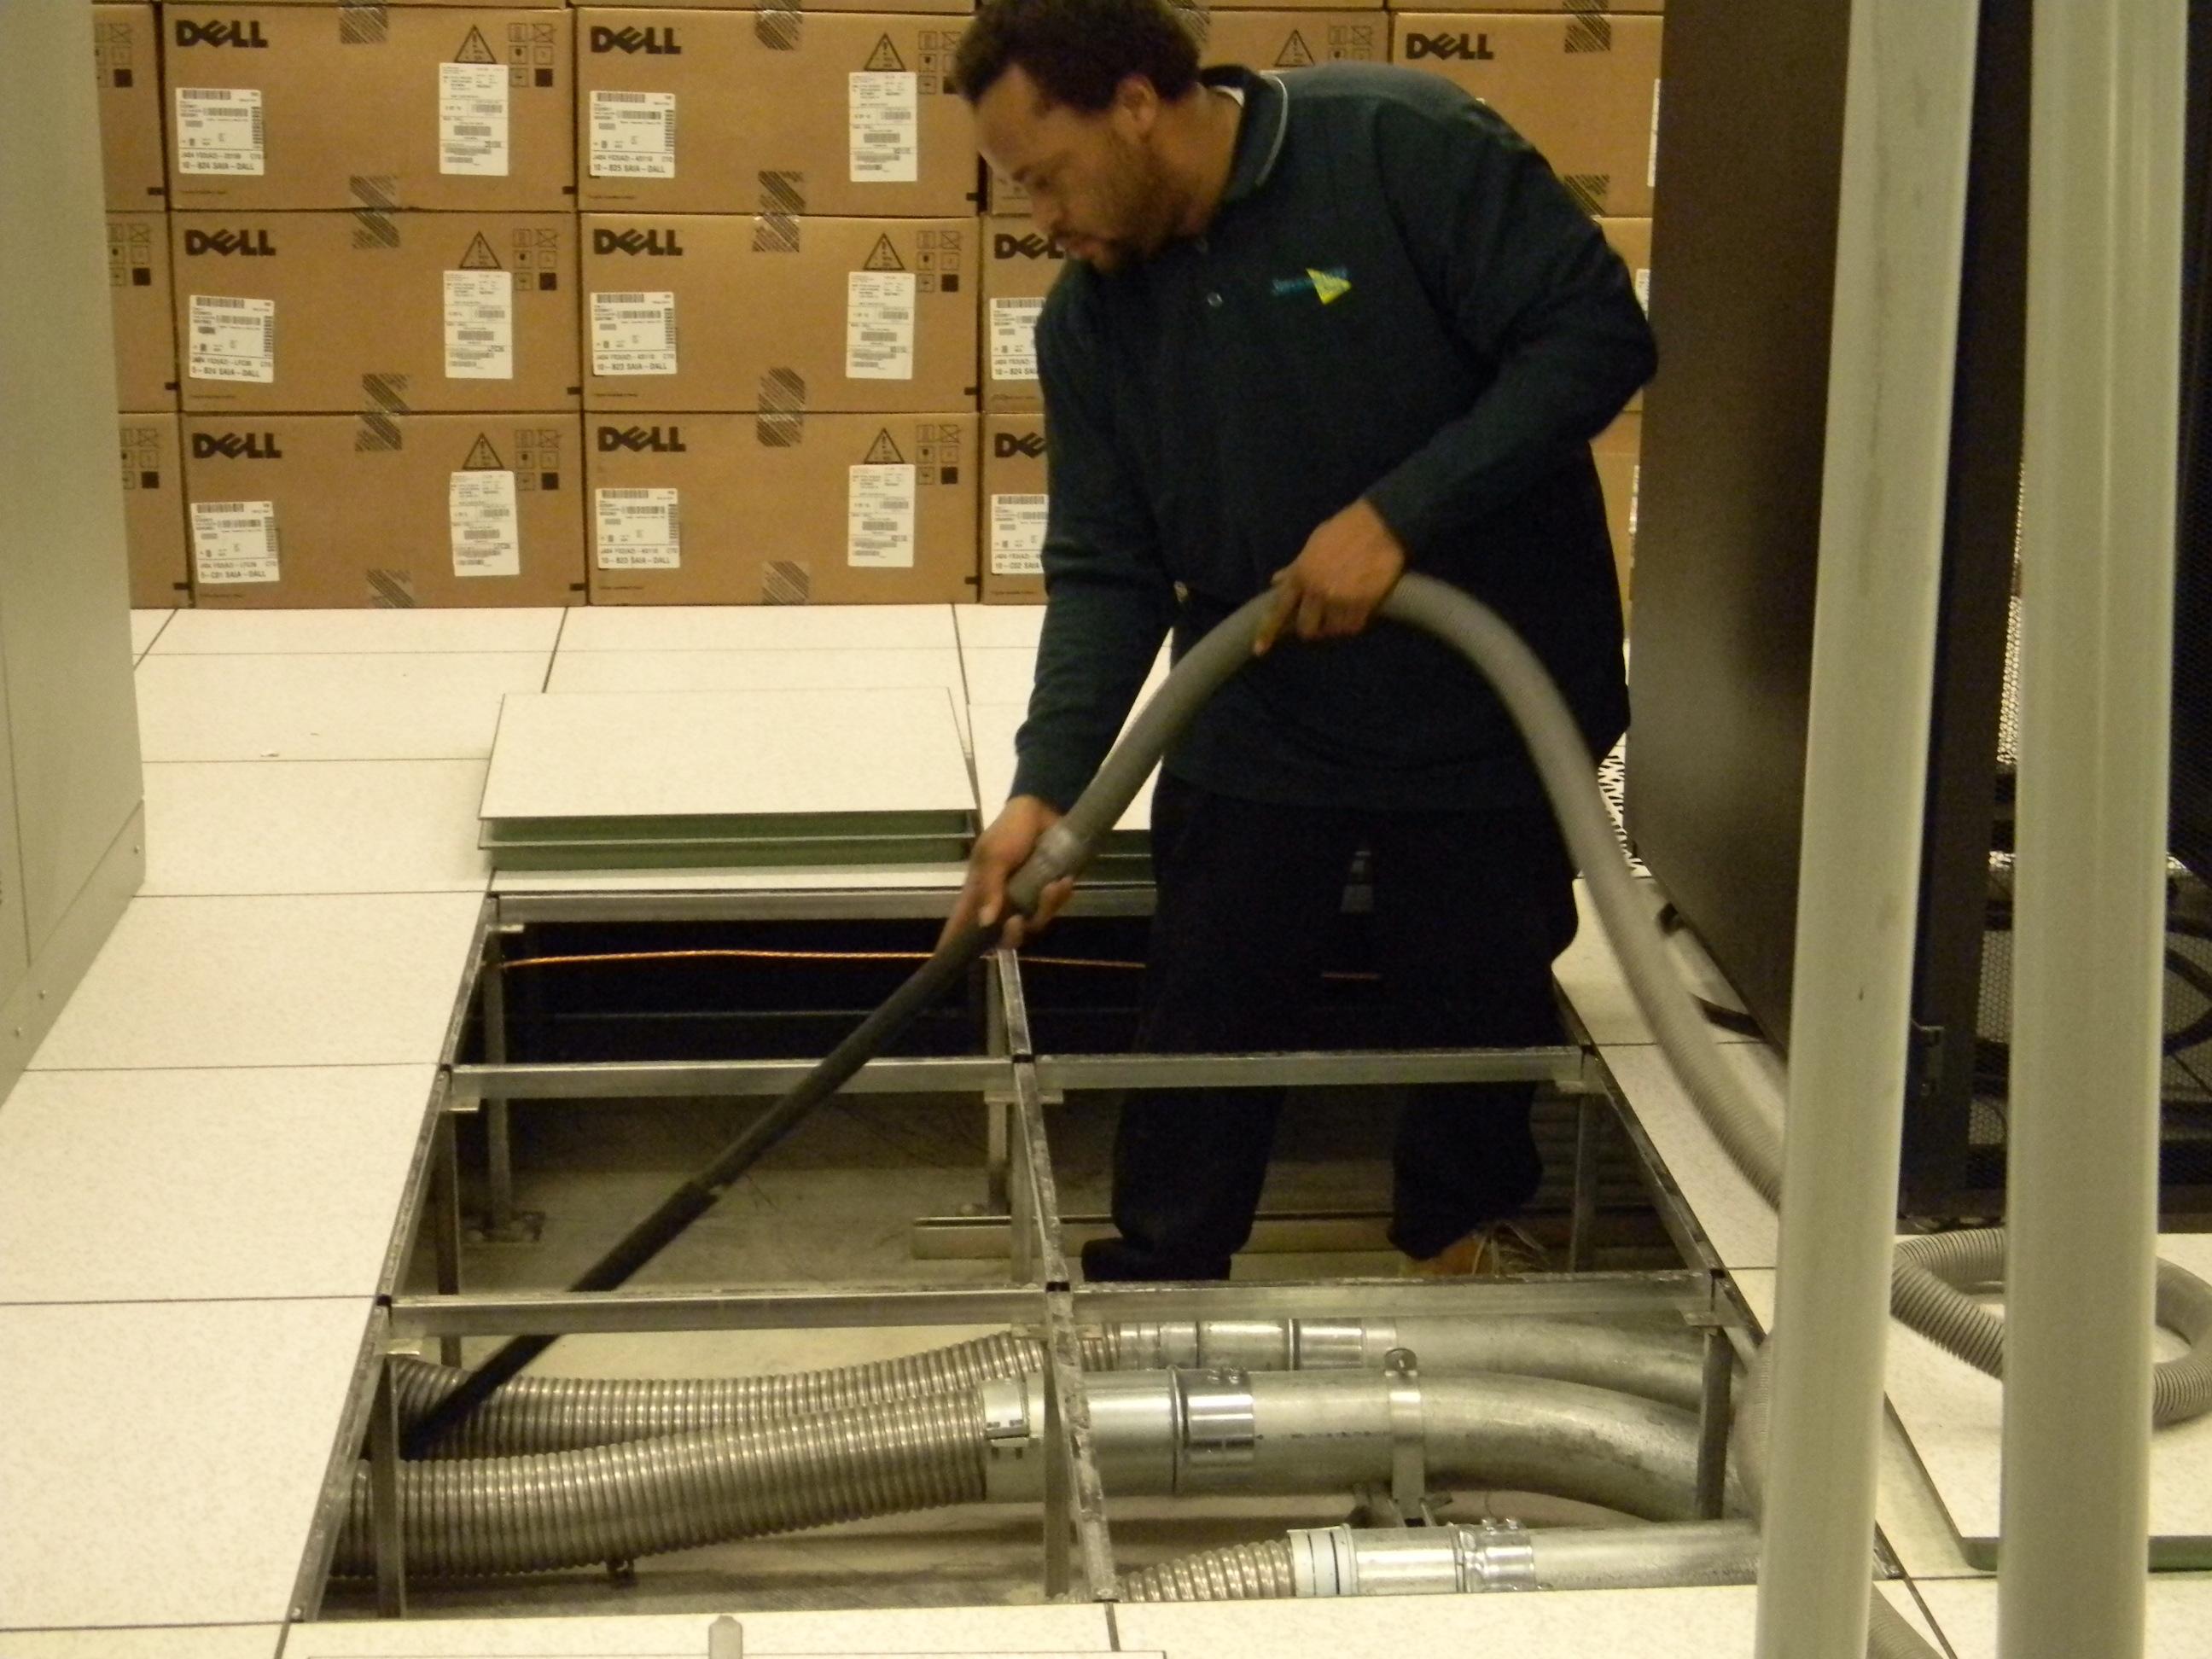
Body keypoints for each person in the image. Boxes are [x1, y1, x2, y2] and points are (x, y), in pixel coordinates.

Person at [945, 0, 1655, 1281]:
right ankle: (1162, 1276)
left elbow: (1596, 337)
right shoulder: (1092, 323)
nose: (1039, 219)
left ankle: (1463, 1248)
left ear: (1138, 105)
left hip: (1490, 698)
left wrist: (1400, 515)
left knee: (1477, 1000)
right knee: (1209, 1002)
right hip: (1261, 700)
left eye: (1043, 177)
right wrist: (1047, 785)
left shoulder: (1398, 150)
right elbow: (1106, 571)